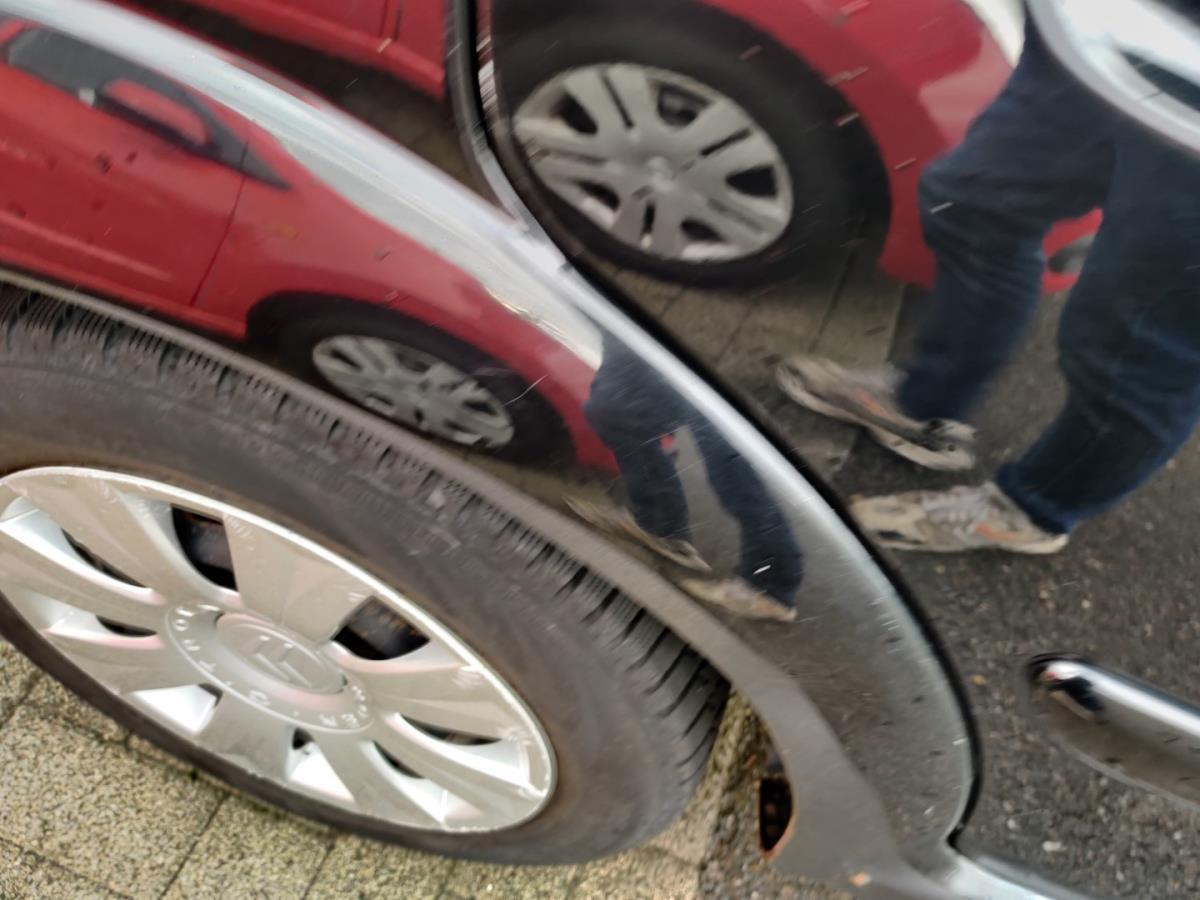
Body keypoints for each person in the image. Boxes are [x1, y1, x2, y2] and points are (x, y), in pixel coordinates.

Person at [777, 20, 1200, 554]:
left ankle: (1033, 509)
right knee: (974, 205)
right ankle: (925, 406)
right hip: (1113, 24)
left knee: (1141, 345)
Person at [571, 335, 803, 620]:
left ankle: (771, 585)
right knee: (612, 410)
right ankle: (660, 526)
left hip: (706, 336)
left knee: (727, 457)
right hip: (638, 338)